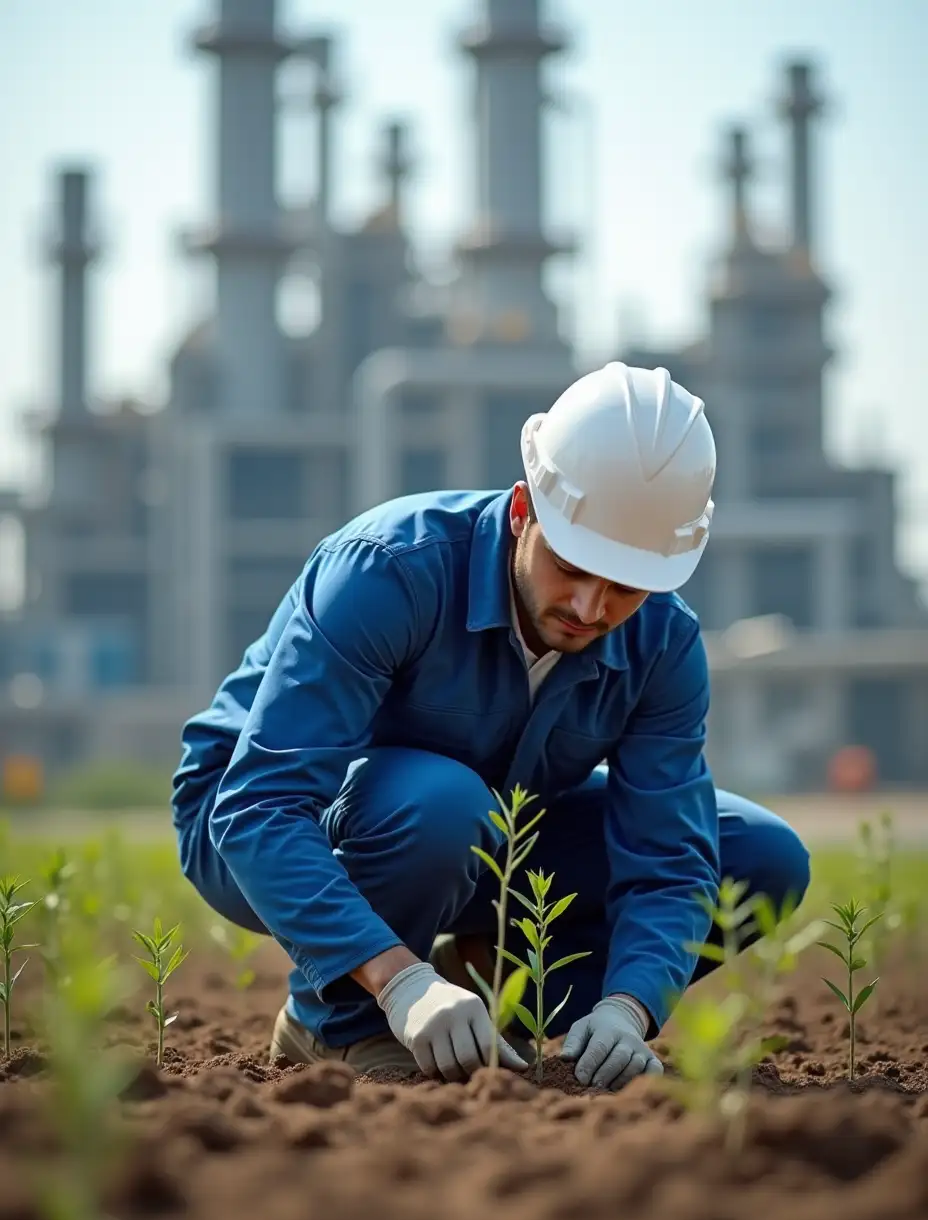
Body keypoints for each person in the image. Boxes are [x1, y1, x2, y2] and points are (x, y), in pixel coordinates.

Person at [171, 361, 810, 1090]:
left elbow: (669, 856)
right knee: (442, 802)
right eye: (572, 566)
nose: (591, 607)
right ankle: (340, 1019)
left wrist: (630, 1006)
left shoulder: (662, 642)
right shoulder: (389, 571)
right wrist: (396, 981)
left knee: (760, 858)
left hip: (489, 832)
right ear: (521, 511)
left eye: (626, 585)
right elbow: (261, 806)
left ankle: (476, 984)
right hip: (255, 823)